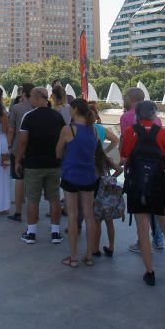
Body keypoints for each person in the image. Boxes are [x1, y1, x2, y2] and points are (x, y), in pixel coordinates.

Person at [121, 99, 165, 285]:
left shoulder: (130, 132)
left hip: (137, 185)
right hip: (158, 184)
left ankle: (150, 272)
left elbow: (125, 154)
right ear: (154, 114)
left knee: (143, 228)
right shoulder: (161, 133)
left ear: (137, 115)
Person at [14, 87, 65, 245]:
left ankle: (31, 233)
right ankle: (55, 232)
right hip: (53, 164)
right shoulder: (57, 116)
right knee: (54, 198)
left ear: (36, 98)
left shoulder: (29, 117)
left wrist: (17, 160)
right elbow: (63, 140)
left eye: (31, 97)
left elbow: (23, 141)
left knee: (33, 199)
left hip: (33, 164)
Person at [55, 98, 99, 267]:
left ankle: (73, 257)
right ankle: (89, 255)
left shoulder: (68, 130)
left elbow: (58, 152)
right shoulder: (93, 130)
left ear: (74, 110)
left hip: (71, 175)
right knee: (89, 215)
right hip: (89, 176)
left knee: (72, 216)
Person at [6, 83, 35, 223]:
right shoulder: (38, 107)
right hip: (34, 149)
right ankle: (33, 212)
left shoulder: (16, 108)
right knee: (33, 181)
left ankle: (18, 212)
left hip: (18, 148)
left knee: (19, 179)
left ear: (23, 93)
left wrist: (9, 144)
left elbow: (11, 129)